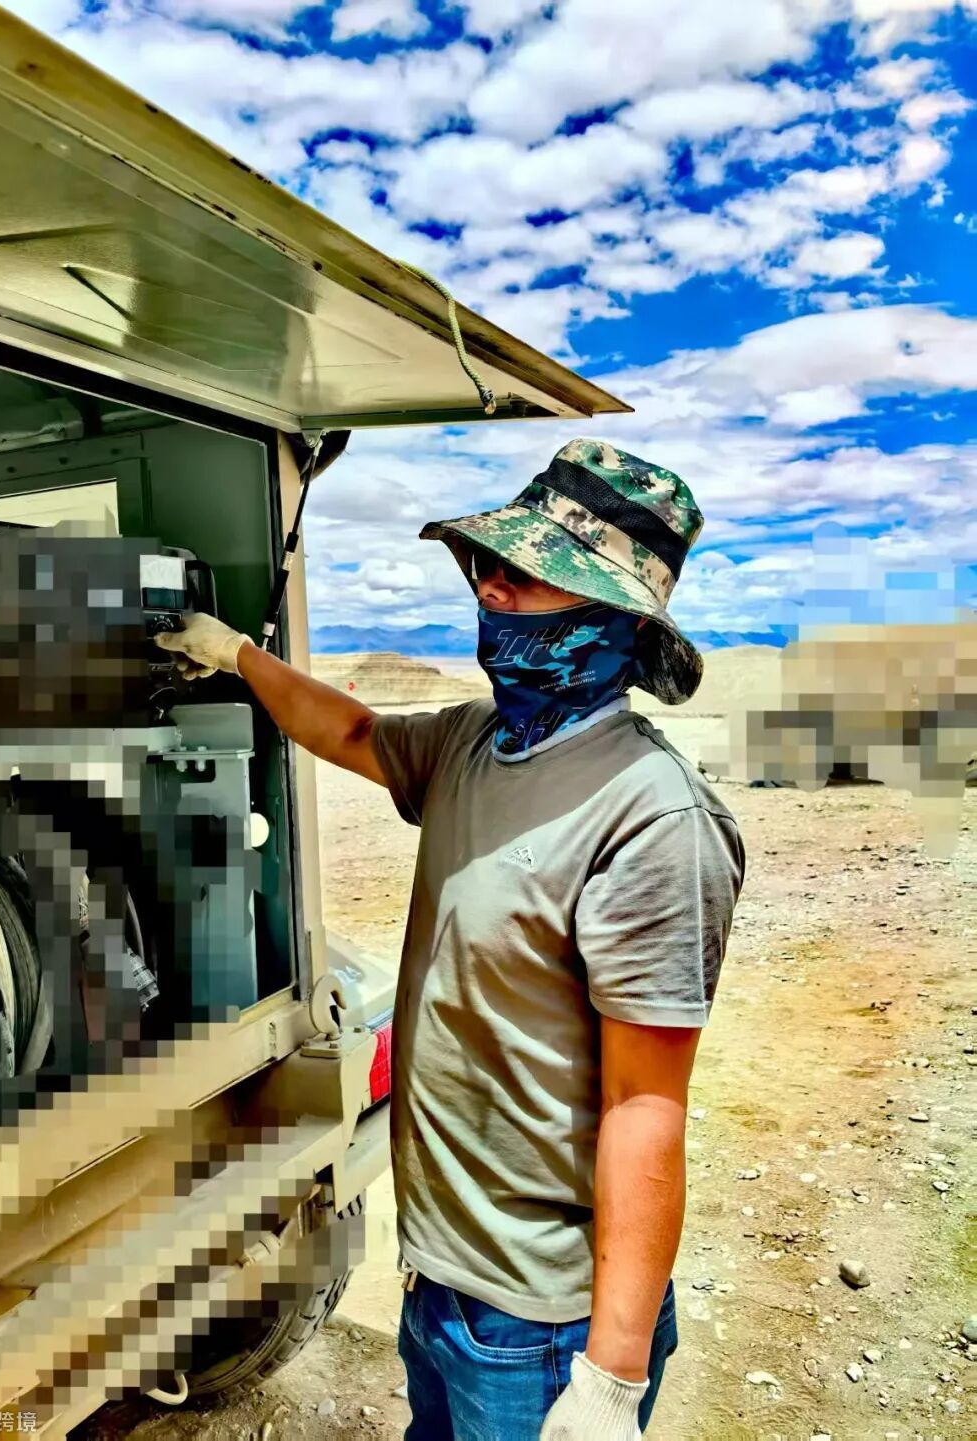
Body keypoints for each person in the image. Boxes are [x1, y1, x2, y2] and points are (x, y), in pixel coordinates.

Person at [157, 438, 745, 1440]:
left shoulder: (653, 818)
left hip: (541, 1321)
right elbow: (354, 733)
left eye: (530, 576)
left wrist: (610, 1374)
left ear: (613, 617)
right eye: (491, 567)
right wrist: (237, 654)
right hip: (445, 1280)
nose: (492, 591)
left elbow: (645, 1105)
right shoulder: (477, 740)